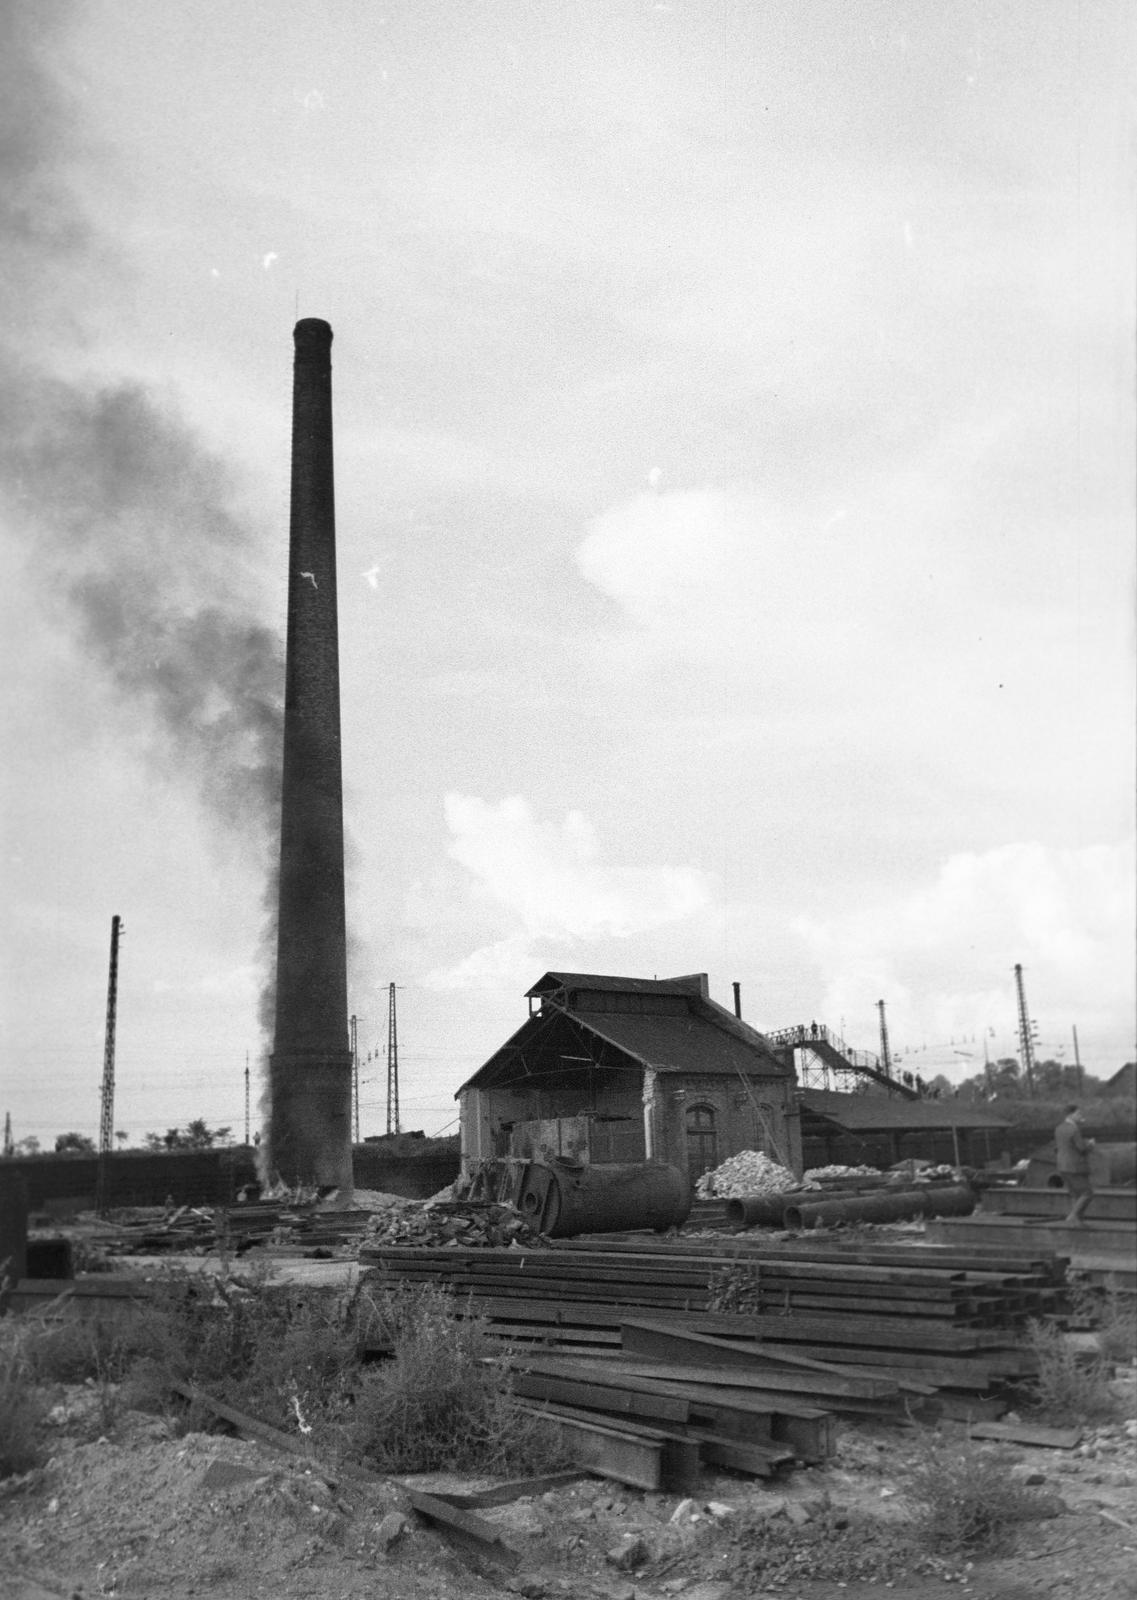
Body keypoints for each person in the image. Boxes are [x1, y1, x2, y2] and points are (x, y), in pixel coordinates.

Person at [1055, 1104, 1095, 1226]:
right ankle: (1073, 1216)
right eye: (1078, 1114)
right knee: (1087, 1193)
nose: (1080, 1115)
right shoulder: (1074, 1129)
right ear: (1071, 1115)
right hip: (1075, 1166)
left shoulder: (1059, 1128)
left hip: (1062, 1165)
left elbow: (1066, 1145)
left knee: (1074, 1194)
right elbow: (1081, 1148)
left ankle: (1077, 1222)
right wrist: (1090, 1144)